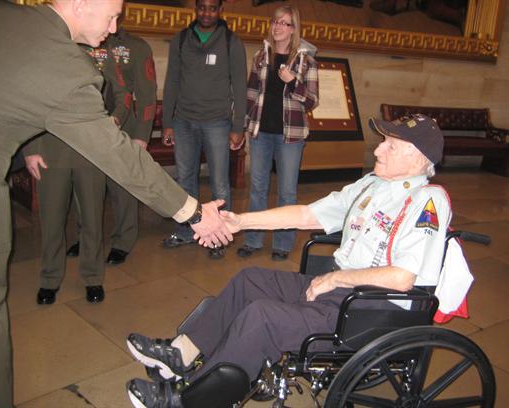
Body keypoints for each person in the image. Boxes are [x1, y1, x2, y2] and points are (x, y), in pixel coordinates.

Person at [0, 0, 233, 406]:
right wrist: (193, 212)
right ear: (81, 4)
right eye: (112, 15)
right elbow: (121, 158)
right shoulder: (66, 67)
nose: (116, 26)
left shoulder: (2, 14)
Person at [125, 114, 450, 407]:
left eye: (390, 145)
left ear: (417, 157)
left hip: (369, 308)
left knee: (262, 317)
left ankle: (186, 402)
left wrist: (336, 278)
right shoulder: (372, 185)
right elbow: (307, 214)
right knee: (249, 280)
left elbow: (402, 277)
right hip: (339, 290)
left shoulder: (427, 201)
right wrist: (241, 222)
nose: (378, 150)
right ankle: (180, 355)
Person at [160, 0, 247, 259]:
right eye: (202, 7)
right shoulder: (181, 39)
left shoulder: (231, 42)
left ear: (220, 10)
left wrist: (238, 126)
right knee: (185, 179)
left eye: (212, 8)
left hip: (217, 122)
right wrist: (168, 122)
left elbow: (239, 86)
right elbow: (172, 81)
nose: (206, 13)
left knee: (220, 183)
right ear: (195, 9)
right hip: (184, 121)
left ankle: (219, 237)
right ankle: (186, 231)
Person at [67, 27, 158, 267]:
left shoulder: (135, 47)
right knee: (84, 186)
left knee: (123, 189)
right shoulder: (78, 42)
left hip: (123, 128)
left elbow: (147, 93)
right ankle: (85, 236)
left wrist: (142, 135)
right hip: (85, 128)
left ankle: (123, 240)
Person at [238, 5, 319, 261]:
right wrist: (243, 126)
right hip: (261, 133)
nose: (278, 27)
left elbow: (312, 101)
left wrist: (292, 82)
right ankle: (252, 240)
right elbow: (251, 95)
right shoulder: (261, 56)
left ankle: (283, 244)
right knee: (257, 189)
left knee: (287, 192)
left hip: (290, 136)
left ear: (294, 29)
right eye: (275, 22)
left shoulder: (306, 61)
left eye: (285, 23)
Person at [23, 130, 108, 304]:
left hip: (91, 149)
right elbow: (28, 113)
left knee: (92, 219)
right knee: (51, 221)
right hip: (49, 149)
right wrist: (30, 149)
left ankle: (93, 277)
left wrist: (112, 127)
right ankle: (49, 278)